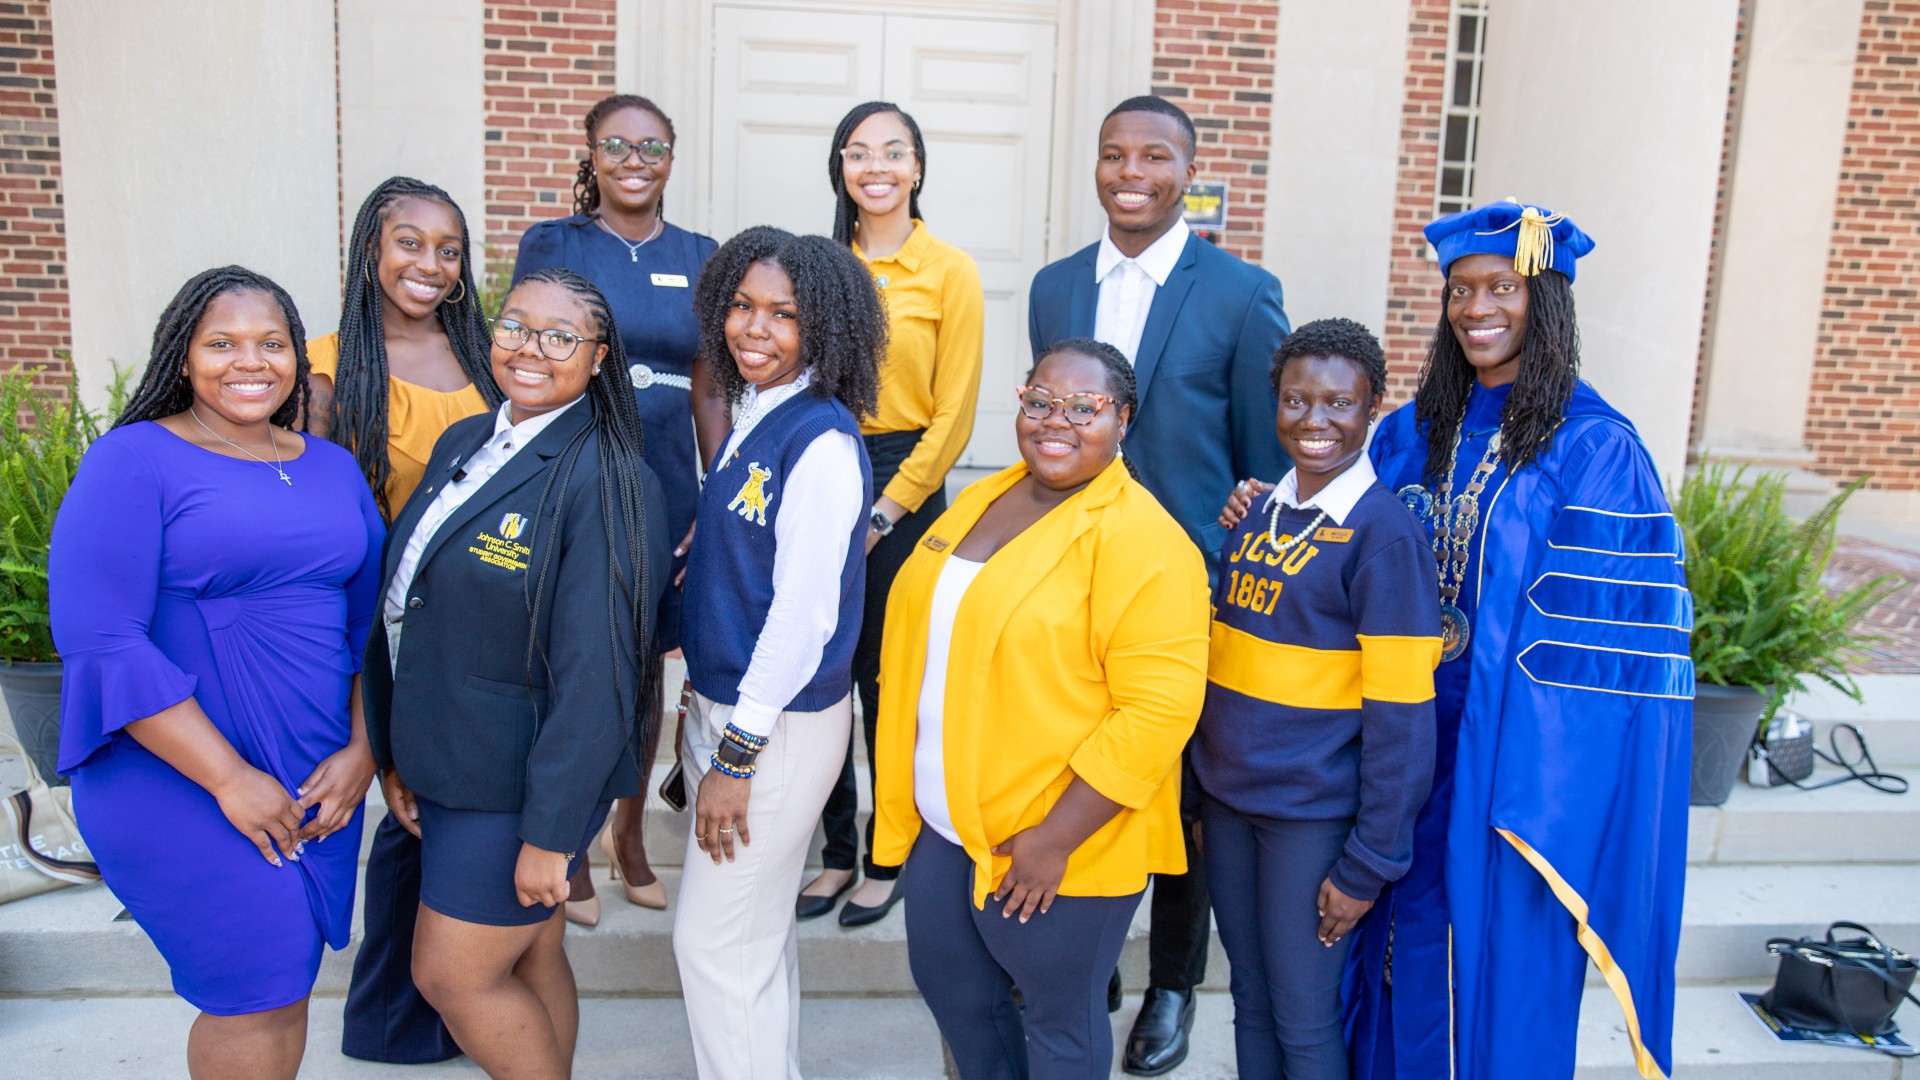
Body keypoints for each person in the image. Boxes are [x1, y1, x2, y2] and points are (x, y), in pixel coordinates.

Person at [1226, 202, 1693, 1080]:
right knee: (1367, 971)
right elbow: (1334, 522)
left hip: (1498, 770)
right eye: (1461, 290)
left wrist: (1529, 789)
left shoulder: (1594, 448)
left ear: (1544, 300)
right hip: (1383, 749)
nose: (1477, 308)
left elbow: (1603, 662)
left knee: (1484, 978)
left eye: (1502, 287)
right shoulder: (1411, 431)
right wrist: (1265, 503)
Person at [49, 266, 383, 1080]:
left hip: (314, 773)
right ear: (183, 356)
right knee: (253, 990)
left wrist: (365, 751)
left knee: (285, 984)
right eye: (222, 343)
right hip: (177, 775)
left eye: (272, 343)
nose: (250, 362)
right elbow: (103, 641)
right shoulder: (132, 460)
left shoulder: (332, 467)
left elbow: (370, 625)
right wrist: (230, 779)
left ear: (299, 358)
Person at [1028, 93, 1291, 1075]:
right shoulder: (1054, 287)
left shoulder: (1241, 293)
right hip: (1070, 581)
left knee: (1179, 796)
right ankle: (1086, 961)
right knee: (1073, 768)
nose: (1130, 173)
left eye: (1153, 157)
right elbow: (1053, 431)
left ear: (1188, 171)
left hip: (1188, 592)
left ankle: (1172, 984)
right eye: (1113, 154)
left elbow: (1265, 465)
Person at [870, 337, 1210, 1079]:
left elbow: (1156, 715)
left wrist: (1054, 839)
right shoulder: (986, 497)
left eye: (1085, 407)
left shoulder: (1146, 541)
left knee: (1060, 1025)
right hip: (947, 825)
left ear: (1123, 418)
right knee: (957, 995)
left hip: (1058, 839)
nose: (1058, 420)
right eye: (1042, 401)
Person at [363, 266, 670, 1080]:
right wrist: (400, 753)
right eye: (516, 326)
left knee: (452, 975)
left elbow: (602, 674)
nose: (532, 348)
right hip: (450, 757)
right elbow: (417, 601)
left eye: (561, 336)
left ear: (598, 358)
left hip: (517, 783)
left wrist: (552, 835)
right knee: (530, 958)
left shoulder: (608, 479)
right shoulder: (466, 439)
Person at [1197, 319, 1439, 1080]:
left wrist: (1370, 861)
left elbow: (1403, 718)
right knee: (1250, 1000)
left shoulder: (1385, 536)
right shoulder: (1255, 513)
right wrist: (1198, 796)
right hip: (1229, 806)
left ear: (1372, 409)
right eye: (1297, 400)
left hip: (1312, 819)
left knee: (1303, 1020)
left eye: (1340, 403)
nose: (1316, 420)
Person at [672, 226, 883, 1078]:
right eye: (742, 306)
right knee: (751, 945)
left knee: (713, 946)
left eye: (784, 314)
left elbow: (801, 618)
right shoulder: (758, 407)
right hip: (736, 710)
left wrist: (736, 755)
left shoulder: (820, 440)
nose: (754, 328)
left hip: (774, 728)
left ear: (823, 326)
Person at [513, 94, 729, 920]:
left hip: (667, 479)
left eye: (652, 147)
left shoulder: (702, 256)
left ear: (672, 157)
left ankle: (629, 835)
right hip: (576, 472)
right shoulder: (555, 244)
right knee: (567, 662)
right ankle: (564, 841)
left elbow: (712, 384)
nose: (635, 161)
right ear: (592, 153)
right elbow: (531, 356)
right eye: (617, 145)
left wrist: (714, 492)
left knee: (643, 673)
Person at [316, 175, 503, 1067]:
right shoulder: (320, 366)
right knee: (411, 813)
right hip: (382, 625)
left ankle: (438, 1004)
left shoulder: (488, 360)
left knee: (445, 814)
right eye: (409, 242)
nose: (430, 264)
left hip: (480, 624)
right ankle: (393, 1018)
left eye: (449, 249)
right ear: (370, 249)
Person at [804, 100, 985, 928]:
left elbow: (954, 415)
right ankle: (835, 852)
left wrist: (885, 511)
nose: (875, 167)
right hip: (821, 461)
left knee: (886, 676)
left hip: (904, 482)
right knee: (820, 670)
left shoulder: (950, 271)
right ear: (840, 168)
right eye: (858, 152)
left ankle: (888, 854)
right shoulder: (816, 266)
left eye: (893, 151)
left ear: (917, 167)